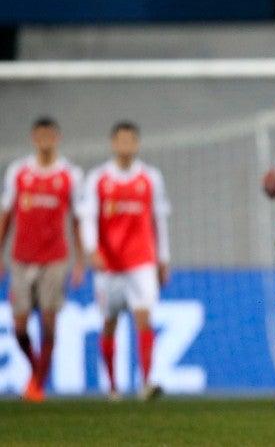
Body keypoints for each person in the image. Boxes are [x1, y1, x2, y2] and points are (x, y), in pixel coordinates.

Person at [80, 121, 171, 400]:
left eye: (131, 141)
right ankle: (112, 387)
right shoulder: (98, 178)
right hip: (109, 264)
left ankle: (146, 383)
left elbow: (160, 220)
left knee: (143, 317)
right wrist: (92, 249)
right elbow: (88, 217)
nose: (126, 146)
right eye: (121, 141)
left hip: (141, 260)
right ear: (113, 144)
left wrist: (163, 257)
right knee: (110, 323)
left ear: (137, 144)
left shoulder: (150, 177)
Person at [0, 117, 85, 402]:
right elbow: (6, 216)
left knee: (49, 322)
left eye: (50, 135)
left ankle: (36, 385)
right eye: (40, 135)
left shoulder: (70, 175)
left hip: (55, 258)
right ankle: (37, 371)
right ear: (33, 138)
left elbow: (77, 220)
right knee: (20, 326)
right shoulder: (18, 172)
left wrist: (80, 260)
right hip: (22, 258)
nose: (45, 140)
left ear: (57, 138)